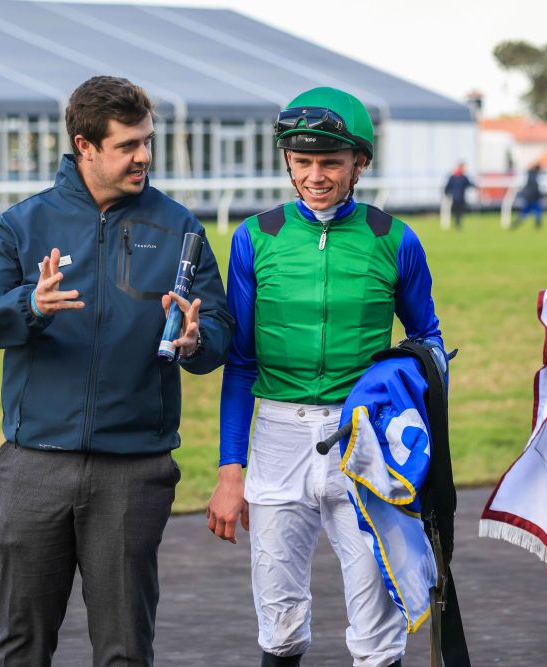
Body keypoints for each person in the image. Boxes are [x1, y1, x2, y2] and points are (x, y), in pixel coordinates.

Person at [0, 75, 233, 666]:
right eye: (127, 145)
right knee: (21, 646)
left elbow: (218, 333)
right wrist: (30, 305)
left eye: (147, 141)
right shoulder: (22, 224)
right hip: (34, 467)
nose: (144, 156)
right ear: (84, 145)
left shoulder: (180, 228)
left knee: (125, 650)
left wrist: (195, 340)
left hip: (134, 471)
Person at [205, 87, 444, 667]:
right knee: (279, 623)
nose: (315, 176)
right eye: (302, 161)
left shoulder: (395, 239)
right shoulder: (254, 237)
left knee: (376, 629)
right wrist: (230, 470)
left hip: (362, 439)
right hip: (276, 439)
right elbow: (240, 363)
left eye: (331, 162)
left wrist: (402, 401)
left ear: (359, 162)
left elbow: (429, 342)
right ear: (288, 161)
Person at [444, 162, 474, 229]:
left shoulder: (458, 177)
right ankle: (457, 224)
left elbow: (469, 184)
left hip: (459, 198)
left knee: (459, 212)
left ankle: (457, 224)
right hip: (456, 198)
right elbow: (448, 186)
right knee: (458, 212)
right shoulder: (459, 177)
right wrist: (446, 193)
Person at [514, 163, 544, 229]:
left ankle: (517, 223)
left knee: (526, 212)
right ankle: (537, 225)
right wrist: (540, 196)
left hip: (530, 197)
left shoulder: (531, 174)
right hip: (533, 198)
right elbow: (534, 188)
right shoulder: (533, 176)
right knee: (536, 211)